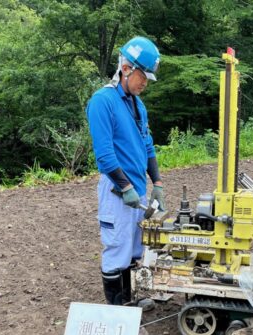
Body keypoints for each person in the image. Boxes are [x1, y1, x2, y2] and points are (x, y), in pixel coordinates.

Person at [86, 36, 165, 311]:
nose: (145, 83)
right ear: (127, 67)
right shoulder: (102, 101)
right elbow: (105, 155)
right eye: (143, 76)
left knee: (135, 247)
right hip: (116, 190)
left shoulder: (137, 105)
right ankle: (117, 309)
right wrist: (125, 186)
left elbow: (147, 145)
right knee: (117, 247)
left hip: (137, 189)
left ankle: (132, 298)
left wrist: (157, 184)